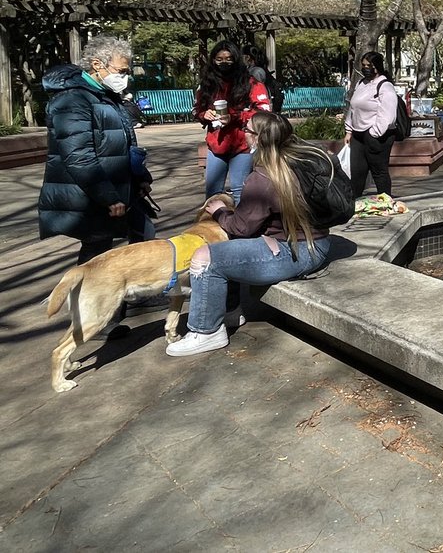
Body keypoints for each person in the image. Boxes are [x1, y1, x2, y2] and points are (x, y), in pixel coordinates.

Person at [165, 111, 333, 356]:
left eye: (248, 128)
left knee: (205, 257)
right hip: (317, 243)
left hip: (295, 251)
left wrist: (220, 211)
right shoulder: (299, 161)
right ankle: (231, 313)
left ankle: (206, 332)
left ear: (259, 138)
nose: (243, 131)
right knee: (231, 248)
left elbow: (241, 226)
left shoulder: (263, 177)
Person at [38, 36, 155, 264]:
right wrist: (108, 198)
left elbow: (126, 143)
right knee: (96, 257)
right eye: (121, 70)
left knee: (143, 232)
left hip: (119, 187)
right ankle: (87, 299)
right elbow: (79, 157)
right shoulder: (72, 101)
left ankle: (132, 294)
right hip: (92, 195)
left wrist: (140, 178)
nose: (125, 76)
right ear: (97, 64)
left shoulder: (107, 96)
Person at [194, 40, 272, 204]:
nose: (224, 63)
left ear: (236, 60)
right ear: (213, 60)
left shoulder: (251, 83)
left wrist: (236, 116)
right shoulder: (207, 84)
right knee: (212, 194)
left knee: (240, 192)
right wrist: (204, 114)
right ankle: (211, 228)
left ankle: (242, 228)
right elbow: (197, 109)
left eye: (228, 59)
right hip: (216, 144)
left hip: (242, 144)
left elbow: (264, 112)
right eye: (219, 59)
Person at [344, 51, 399, 197]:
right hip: (358, 133)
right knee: (357, 171)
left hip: (377, 135)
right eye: (364, 65)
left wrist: (373, 133)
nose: (366, 68)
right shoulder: (361, 83)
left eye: (369, 65)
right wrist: (349, 130)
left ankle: (385, 200)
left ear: (377, 66)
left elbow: (388, 114)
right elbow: (353, 108)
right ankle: (353, 202)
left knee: (378, 171)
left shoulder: (385, 86)